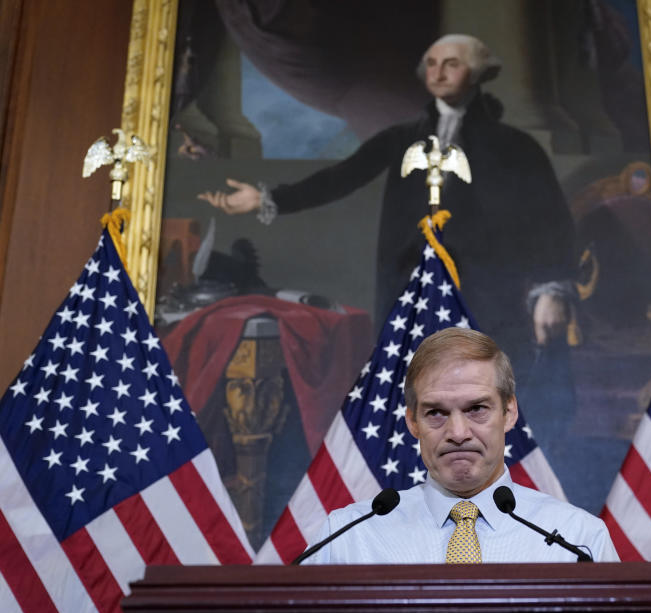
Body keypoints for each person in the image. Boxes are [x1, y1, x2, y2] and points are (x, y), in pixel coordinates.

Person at [198, 35, 577, 374]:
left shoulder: (515, 147)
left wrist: (550, 290)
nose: (438, 72)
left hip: (489, 293)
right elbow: (340, 178)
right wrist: (268, 198)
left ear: (477, 73)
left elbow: (549, 220)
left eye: (452, 63)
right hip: (412, 287)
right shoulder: (402, 138)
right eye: (431, 63)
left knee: (484, 390)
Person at [301, 327, 618, 563]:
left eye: (476, 409)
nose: (457, 432)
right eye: (436, 412)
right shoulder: (345, 539)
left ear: (509, 413)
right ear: (413, 422)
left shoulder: (579, 541)